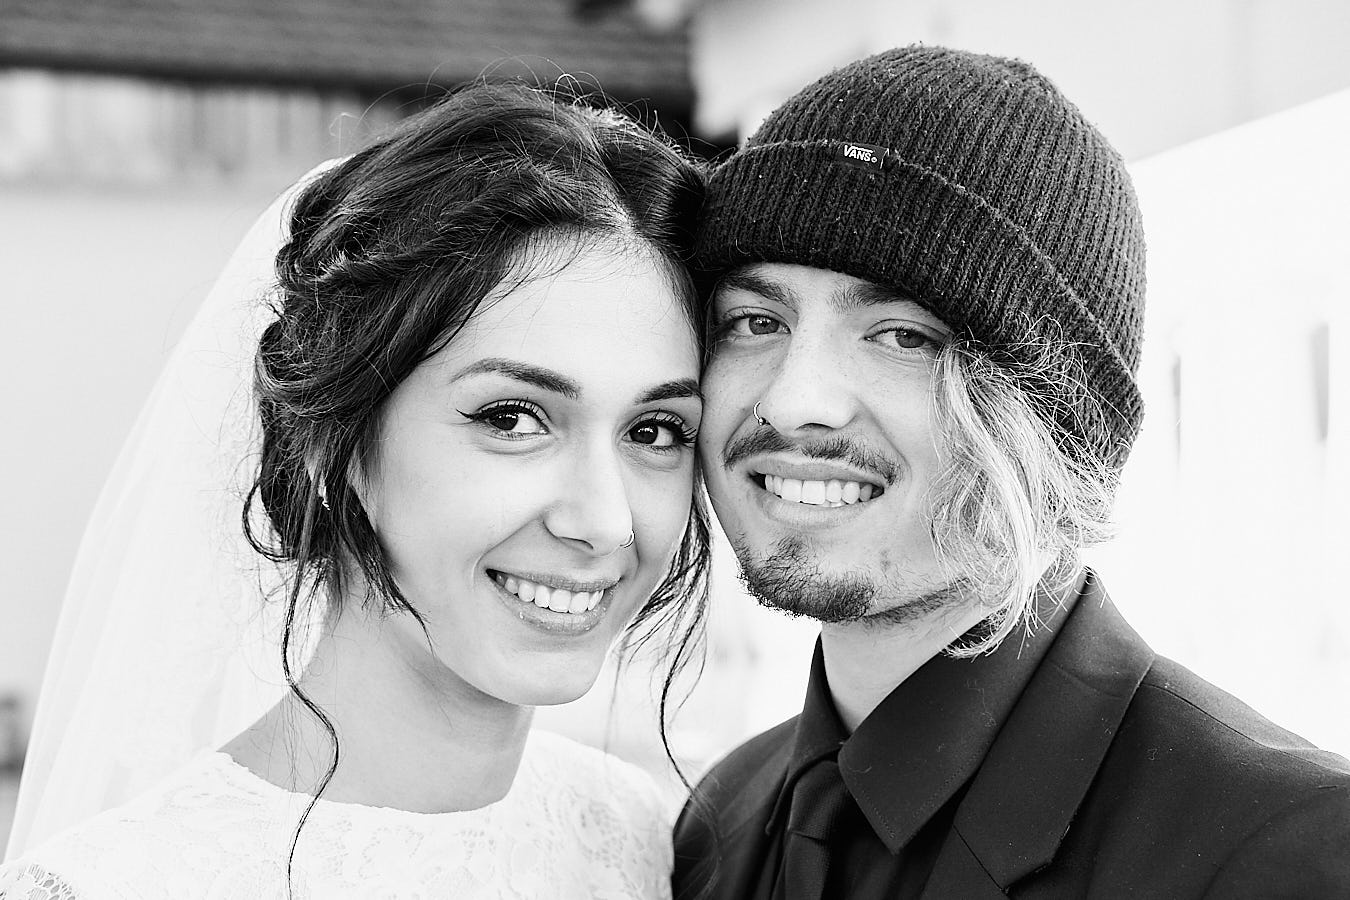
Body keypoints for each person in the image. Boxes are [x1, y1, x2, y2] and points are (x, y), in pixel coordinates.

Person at [0, 81, 710, 898]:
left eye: (655, 431)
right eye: (513, 418)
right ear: (330, 444)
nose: (603, 521)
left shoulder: (630, 833)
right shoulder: (112, 885)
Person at [673, 45, 1350, 899]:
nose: (795, 399)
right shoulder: (717, 825)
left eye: (903, 336)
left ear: (1054, 419)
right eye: (753, 319)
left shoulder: (1287, 852)